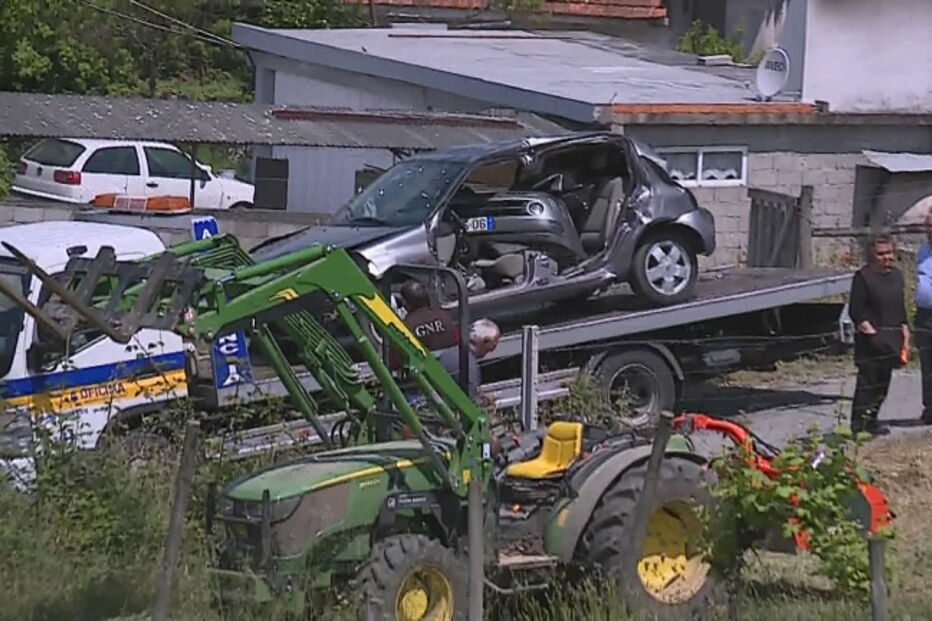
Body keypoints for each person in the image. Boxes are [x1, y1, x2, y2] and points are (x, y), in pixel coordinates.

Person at [848, 234, 910, 435]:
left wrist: (905, 331)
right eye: (881, 254)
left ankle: (872, 422)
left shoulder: (896, 276)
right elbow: (856, 310)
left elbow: (900, 307)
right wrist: (871, 333)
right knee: (867, 386)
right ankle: (858, 427)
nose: (886, 257)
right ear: (872, 255)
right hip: (871, 342)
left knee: (883, 386)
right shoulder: (863, 277)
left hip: (892, 339)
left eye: (889, 253)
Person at [389, 279, 459, 370]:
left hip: (425, 378)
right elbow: (457, 343)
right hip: (454, 370)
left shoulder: (406, 327)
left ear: (407, 304)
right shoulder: (445, 316)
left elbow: (394, 362)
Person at [438, 318, 501, 403]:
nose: (493, 349)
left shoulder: (452, 352)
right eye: (494, 344)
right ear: (485, 341)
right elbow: (469, 403)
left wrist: (480, 396)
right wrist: (484, 402)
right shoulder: (469, 366)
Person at [914, 208, 932, 424]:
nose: (929, 230)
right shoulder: (923, 250)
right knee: (927, 366)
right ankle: (930, 407)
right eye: (927, 225)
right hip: (925, 316)